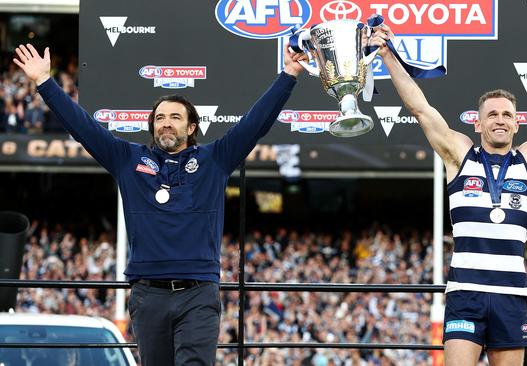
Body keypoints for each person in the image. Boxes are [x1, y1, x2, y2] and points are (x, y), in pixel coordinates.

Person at [13, 43, 307, 366]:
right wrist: (45, 82)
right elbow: (83, 128)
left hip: (198, 293)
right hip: (147, 295)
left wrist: (289, 73)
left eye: (175, 117)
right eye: (160, 118)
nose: (166, 123)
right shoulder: (127, 159)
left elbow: (256, 122)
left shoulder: (216, 159)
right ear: (152, 126)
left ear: (191, 127)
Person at [369, 15, 527, 366]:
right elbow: (420, 109)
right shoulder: (459, 156)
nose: (499, 119)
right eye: (492, 114)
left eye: (506, 114)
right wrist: (389, 57)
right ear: (478, 121)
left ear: (516, 122)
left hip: (510, 296)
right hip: (465, 294)